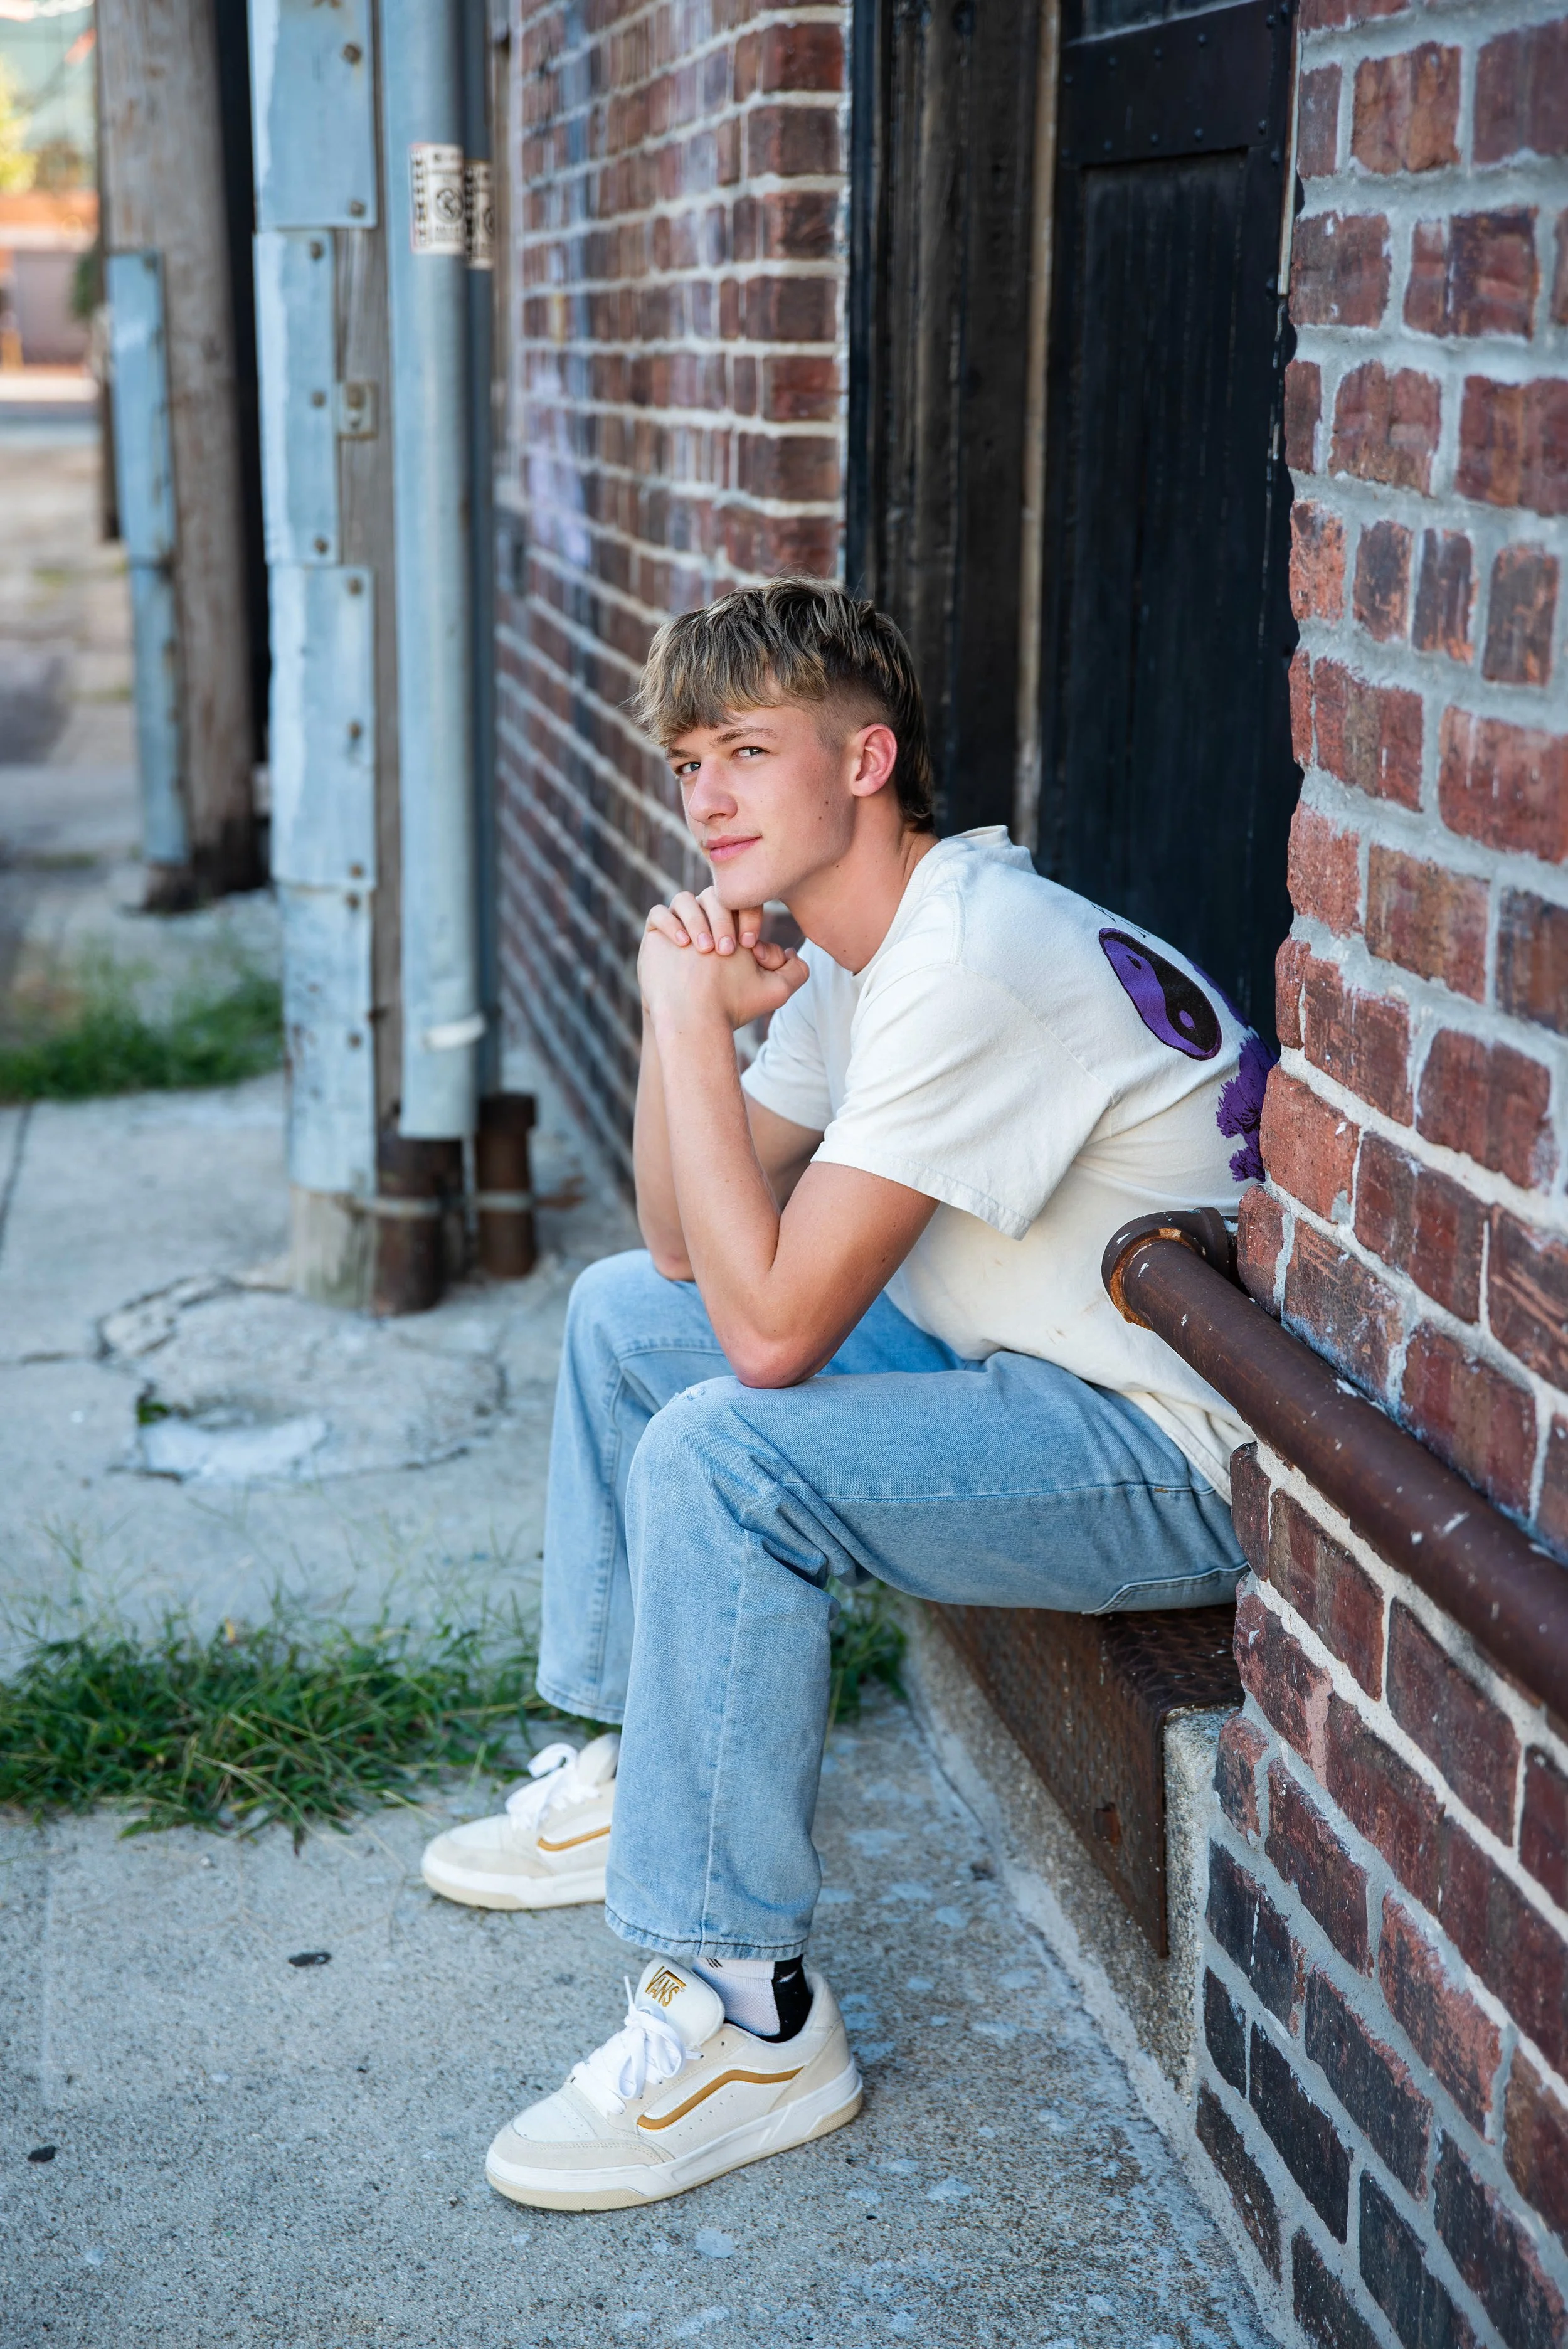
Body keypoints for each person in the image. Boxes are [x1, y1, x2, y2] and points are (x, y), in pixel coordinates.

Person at [421, 577, 1259, 2212]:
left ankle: (746, 2015)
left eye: (747, 749)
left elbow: (769, 1346)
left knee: (727, 1455)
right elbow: (680, 1254)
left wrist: (674, 1006)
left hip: (1156, 1451)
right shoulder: (867, 950)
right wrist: (692, 1032)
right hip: (1007, 1366)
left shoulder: (970, 962)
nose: (706, 796)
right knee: (615, 1316)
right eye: (685, 763)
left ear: (867, 758)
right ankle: (635, 1764)